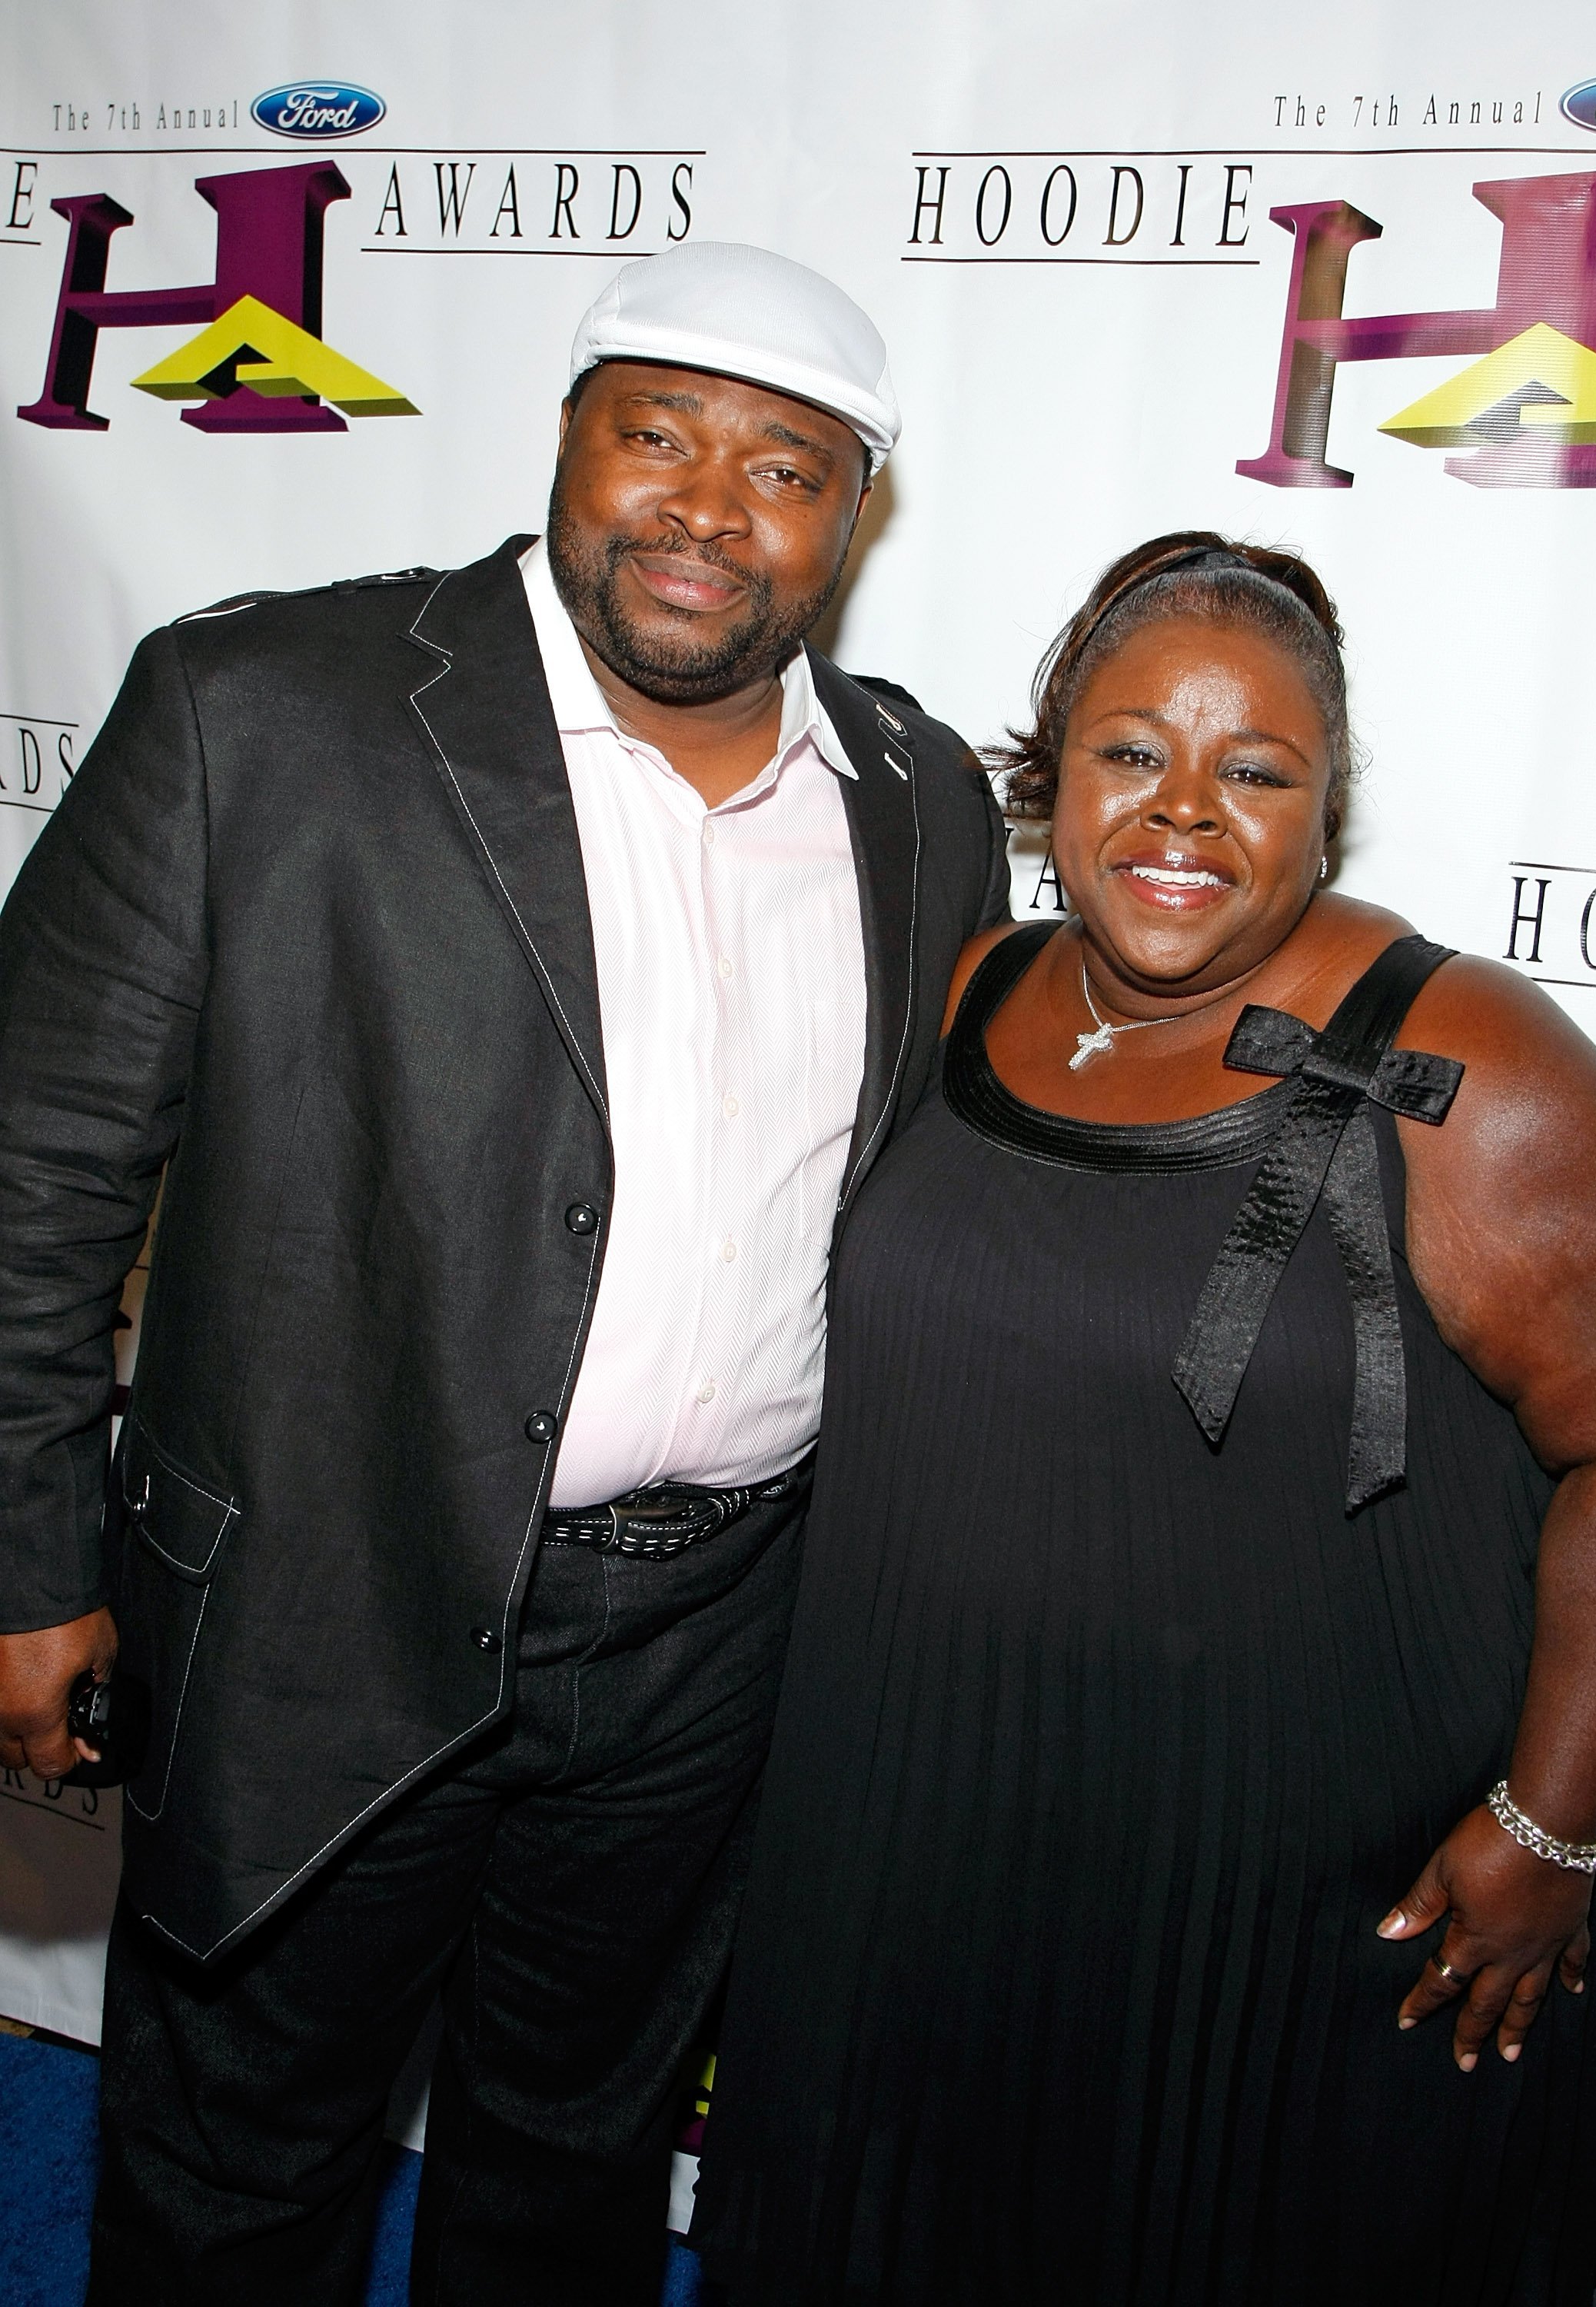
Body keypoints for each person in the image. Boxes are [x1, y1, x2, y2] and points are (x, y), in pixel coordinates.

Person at [0, 241, 1010, 2304]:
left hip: (712, 1634)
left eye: (786, 469)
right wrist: (25, 1570)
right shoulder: (261, 708)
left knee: (574, 2153)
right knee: (241, 2156)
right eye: (657, 437)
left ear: (854, 513)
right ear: (566, 439)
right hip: (318, 1597)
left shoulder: (918, 799)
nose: (706, 510)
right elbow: (33, 1174)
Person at [691, 534, 1596, 2306]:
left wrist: (1550, 1835)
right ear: (1051, 773)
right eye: (1130, 752)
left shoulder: (1469, 1063)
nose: (1184, 812)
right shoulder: (975, 991)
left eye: (1256, 771)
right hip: (928, 1816)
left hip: (1291, 1876)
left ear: (1327, 810)